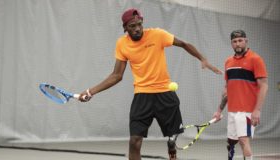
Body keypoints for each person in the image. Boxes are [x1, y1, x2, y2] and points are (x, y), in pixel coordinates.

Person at [79, 8, 222, 160]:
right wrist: (90, 91)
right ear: (125, 28)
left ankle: (172, 147)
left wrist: (203, 59)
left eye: (139, 24)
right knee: (134, 141)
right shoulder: (122, 44)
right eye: (132, 26)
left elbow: (184, 44)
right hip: (142, 96)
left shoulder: (157, 35)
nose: (137, 28)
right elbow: (116, 75)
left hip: (165, 95)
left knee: (172, 138)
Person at [213, 30, 268, 160]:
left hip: (247, 112)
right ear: (231, 43)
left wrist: (257, 110)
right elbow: (227, 88)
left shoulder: (256, 59)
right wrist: (219, 110)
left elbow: (264, 86)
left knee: (243, 141)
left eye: (240, 41)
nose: (237, 44)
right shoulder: (228, 62)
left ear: (246, 41)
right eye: (234, 41)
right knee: (231, 142)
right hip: (232, 111)